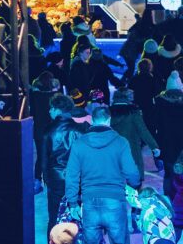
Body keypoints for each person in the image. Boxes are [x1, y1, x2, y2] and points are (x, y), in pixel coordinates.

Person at [64, 103, 141, 244]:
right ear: (109, 120)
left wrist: (73, 202)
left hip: (89, 203)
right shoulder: (120, 142)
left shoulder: (79, 144)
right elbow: (132, 173)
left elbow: (71, 176)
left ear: (92, 121)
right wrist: (135, 184)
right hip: (115, 202)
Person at [40, 93, 86, 233]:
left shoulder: (48, 130)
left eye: (51, 108)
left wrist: (45, 179)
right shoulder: (80, 130)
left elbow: (44, 160)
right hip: (76, 178)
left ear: (58, 109)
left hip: (56, 178)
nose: (49, 111)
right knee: (76, 216)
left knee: (54, 217)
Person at [110, 88, 160, 177]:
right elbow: (143, 130)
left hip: (113, 152)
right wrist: (154, 146)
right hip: (132, 150)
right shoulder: (133, 113)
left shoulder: (108, 114)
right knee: (133, 177)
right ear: (126, 98)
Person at [156, 70, 183, 200]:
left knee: (168, 174)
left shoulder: (160, 105)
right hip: (181, 146)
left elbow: (157, 127)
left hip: (167, 145)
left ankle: (169, 198)